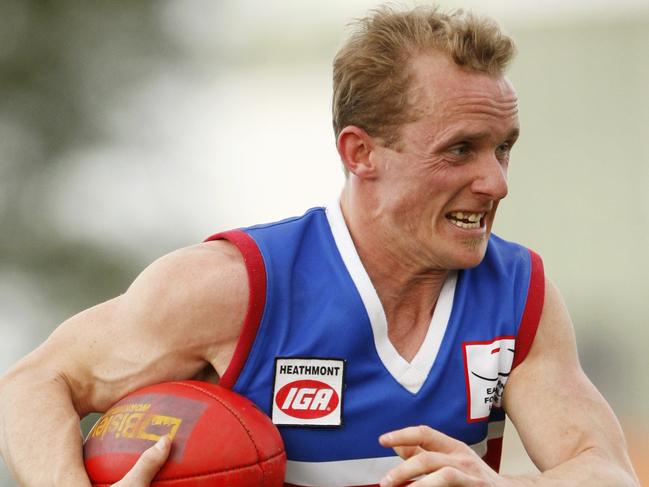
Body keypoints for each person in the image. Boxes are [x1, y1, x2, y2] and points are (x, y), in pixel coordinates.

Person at [0, 5, 640, 487]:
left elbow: (604, 470)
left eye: (504, 147)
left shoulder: (518, 293)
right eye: (460, 150)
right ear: (360, 153)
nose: (497, 181)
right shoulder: (235, 287)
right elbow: (34, 381)